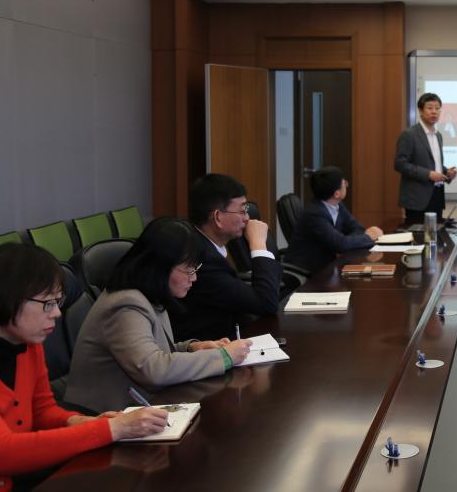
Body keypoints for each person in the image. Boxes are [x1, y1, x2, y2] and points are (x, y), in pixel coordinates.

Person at [0, 243, 168, 491]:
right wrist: (110, 429)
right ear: (8, 297)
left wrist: (80, 421)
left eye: (58, 302)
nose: (57, 314)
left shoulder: (28, 344)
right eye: (48, 303)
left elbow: (42, 411)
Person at [65, 218, 253, 413]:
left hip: (141, 408)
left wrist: (191, 348)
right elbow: (153, 369)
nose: (194, 278)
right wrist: (223, 357)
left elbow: (152, 351)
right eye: (189, 270)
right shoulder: (126, 305)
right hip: (104, 416)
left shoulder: (149, 294)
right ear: (161, 267)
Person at [171, 173, 281, 342]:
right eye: (242, 211)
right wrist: (258, 243)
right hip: (207, 347)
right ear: (217, 217)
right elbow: (266, 303)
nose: (247, 218)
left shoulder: (202, 243)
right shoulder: (202, 260)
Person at [285, 166, 384, 273]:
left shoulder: (337, 205)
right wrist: (368, 237)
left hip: (327, 267)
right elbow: (340, 244)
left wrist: (347, 241)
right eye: (344, 183)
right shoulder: (315, 214)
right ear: (337, 193)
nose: (346, 185)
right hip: (308, 273)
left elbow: (357, 228)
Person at [394, 92, 457, 223]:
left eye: (437, 108)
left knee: (437, 233)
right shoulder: (409, 134)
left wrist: (446, 172)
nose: (434, 112)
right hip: (417, 199)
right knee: (418, 234)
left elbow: (433, 163)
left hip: (437, 195)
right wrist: (428, 174)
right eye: (430, 108)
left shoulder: (438, 135)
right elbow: (400, 164)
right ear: (420, 111)